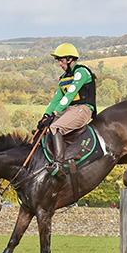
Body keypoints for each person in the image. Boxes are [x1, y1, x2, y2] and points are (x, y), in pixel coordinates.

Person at [37, 43, 96, 177]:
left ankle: (58, 164)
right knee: (45, 127)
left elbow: (70, 95)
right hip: (68, 109)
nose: (59, 64)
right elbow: (57, 99)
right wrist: (46, 115)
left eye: (61, 60)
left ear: (70, 59)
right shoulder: (64, 78)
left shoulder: (81, 72)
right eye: (58, 60)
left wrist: (56, 112)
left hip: (83, 109)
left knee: (56, 127)